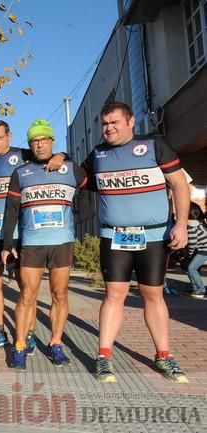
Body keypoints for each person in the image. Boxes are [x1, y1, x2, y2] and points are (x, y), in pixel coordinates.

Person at [82, 101, 190, 383]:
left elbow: (180, 184)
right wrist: (57, 159)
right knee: (113, 294)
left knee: (152, 294)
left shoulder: (154, 146)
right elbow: (77, 178)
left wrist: (181, 225)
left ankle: (164, 355)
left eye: (115, 122)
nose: (109, 128)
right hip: (114, 235)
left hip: (154, 235)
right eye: (105, 123)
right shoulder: (98, 155)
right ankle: (103, 356)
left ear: (130, 122)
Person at [1, 120, 88, 370]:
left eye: (44, 140)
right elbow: (12, 209)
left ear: (52, 141)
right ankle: (19, 345)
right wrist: (8, 242)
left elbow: (92, 176)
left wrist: (65, 156)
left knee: (59, 294)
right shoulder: (21, 173)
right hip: (32, 244)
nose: (39, 144)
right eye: (34, 141)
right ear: (30, 145)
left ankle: (56, 342)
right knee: (27, 295)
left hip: (61, 243)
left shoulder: (69, 168)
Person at [0, 120, 65, 352]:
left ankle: (27, 331)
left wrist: (62, 155)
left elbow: (48, 153)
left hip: (19, 233)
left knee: (26, 286)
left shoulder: (23, 154)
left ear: (9, 136)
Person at [186, 202, 207, 298]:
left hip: (204, 249)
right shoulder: (198, 222)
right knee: (190, 267)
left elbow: (192, 244)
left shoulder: (191, 228)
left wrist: (189, 255)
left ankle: (201, 290)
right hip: (201, 248)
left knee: (191, 268)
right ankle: (195, 288)